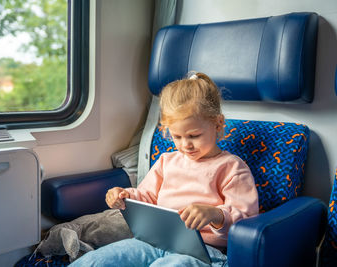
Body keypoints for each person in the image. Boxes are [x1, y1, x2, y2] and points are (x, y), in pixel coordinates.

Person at [69, 72, 259, 267]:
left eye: (194, 135)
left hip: (205, 252)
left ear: (218, 124)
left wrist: (215, 215)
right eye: (177, 137)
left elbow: (245, 223)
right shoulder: (166, 161)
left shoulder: (232, 168)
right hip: (155, 241)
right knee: (95, 261)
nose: (186, 145)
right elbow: (147, 197)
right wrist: (125, 196)